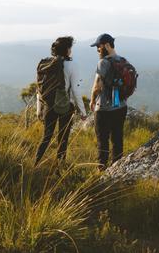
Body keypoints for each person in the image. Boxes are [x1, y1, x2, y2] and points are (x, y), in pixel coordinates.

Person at [34, 36, 87, 166]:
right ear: (67, 49)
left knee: (46, 137)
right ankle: (59, 168)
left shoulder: (46, 64)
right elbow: (75, 90)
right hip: (65, 106)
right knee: (63, 138)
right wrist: (82, 111)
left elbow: (40, 89)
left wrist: (39, 109)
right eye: (70, 47)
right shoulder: (72, 65)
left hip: (49, 105)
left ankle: (35, 164)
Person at [89, 33, 128, 170]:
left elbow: (97, 86)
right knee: (118, 139)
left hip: (104, 109)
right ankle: (117, 169)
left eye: (99, 47)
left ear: (106, 45)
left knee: (102, 141)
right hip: (121, 107)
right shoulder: (123, 61)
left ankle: (102, 171)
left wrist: (92, 101)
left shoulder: (103, 62)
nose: (98, 50)